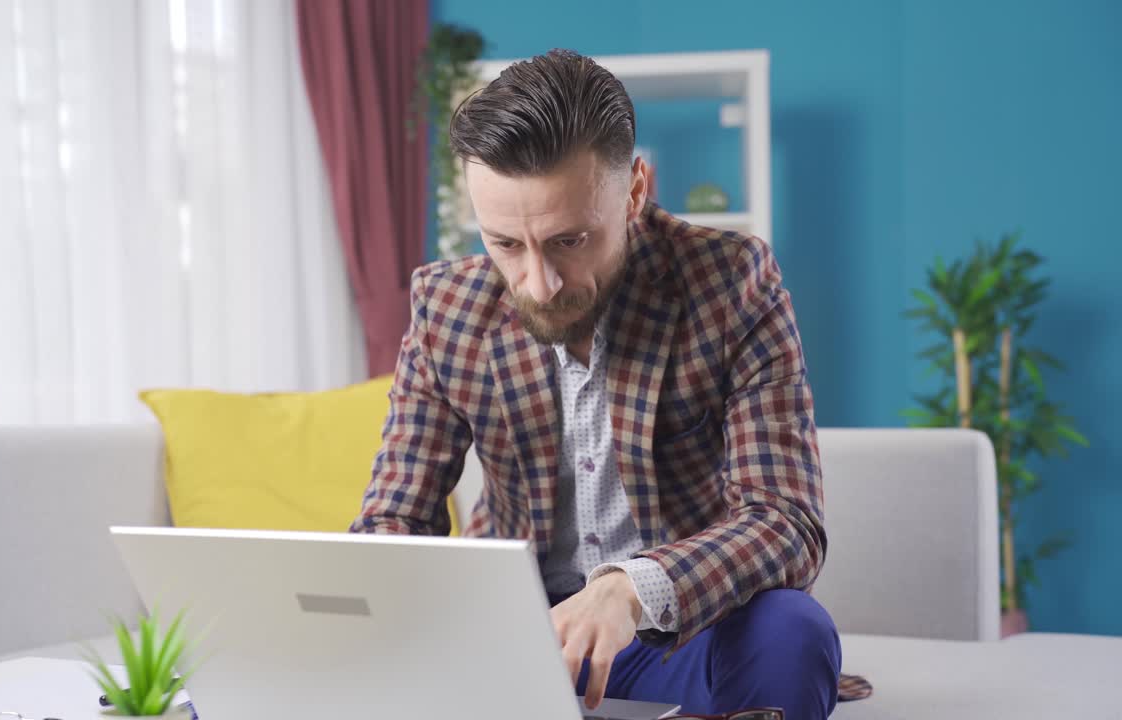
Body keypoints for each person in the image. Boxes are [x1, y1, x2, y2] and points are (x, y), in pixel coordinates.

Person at [352, 48, 841, 719]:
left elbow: (787, 523)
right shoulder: (447, 306)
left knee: (792, 634)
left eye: (569, 241)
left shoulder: (731, 284)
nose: (537, 284)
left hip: (676, 634)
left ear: (635, 190)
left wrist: (632, 586)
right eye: (505, 244)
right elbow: (395, 516)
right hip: (513, 637)